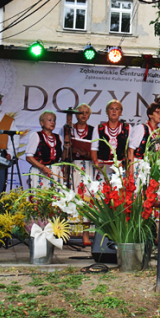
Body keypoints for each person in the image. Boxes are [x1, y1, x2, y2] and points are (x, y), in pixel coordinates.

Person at [60, 103, 98, 247]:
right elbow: (61, 150)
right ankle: (65, 232)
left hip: (87, 166)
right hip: (72, 165)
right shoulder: (67, 129)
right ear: (76, 115)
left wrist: (86, 153)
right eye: (81, 112)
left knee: (86, 199)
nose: (83, 114)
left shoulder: (93, 130)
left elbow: (95, 150)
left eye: (86, 112)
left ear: (89, 115)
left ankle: (86, 234)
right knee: (69, 197)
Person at [25, 111, 64, 189]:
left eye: (54, 120)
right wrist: (42, 167)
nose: (52, 122)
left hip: (55, 172)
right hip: (39, 172)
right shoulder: (36, 136)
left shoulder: (59, 138)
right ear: (42, 123)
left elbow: (62, 157)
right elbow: (29, 157)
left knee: (56, 198)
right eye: (49, 120)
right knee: (40, 197)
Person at [94, 99, 130, 169]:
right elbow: (94, 148)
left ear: (120, 112)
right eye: (111, 109)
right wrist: (95, 161)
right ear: (107, 112)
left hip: (121, 167)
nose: (114, 111)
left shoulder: (127, 128)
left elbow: (131, 149)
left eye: (117, 109)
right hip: (103, 166)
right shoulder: (99, 128)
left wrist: (125, 163)